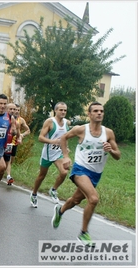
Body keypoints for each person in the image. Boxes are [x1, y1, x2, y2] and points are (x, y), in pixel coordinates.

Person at [52, 102, 121, 247]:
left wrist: (111, 150)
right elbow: (64, 138)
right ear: (89, 114)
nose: (99, 113)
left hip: (96, 174)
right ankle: (83, 233)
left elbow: (118, 155)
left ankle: (60, 210)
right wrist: (65, 156)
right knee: (94, 198)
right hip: (80, 170)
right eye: (95, 111)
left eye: (101, 111)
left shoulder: (108, 133)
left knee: (76, 200)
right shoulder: (81, 129)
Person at [30, 102, 71, 208]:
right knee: (41, 176)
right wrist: (53, 142)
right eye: (61, 110)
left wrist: (66, 148)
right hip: (48, 154)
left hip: (58, 154)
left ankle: (53, 190)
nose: (63, 112)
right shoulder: (49, 122)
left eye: (65, 110)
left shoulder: (67, 123)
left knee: (64, 171)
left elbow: (65, 137)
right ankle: (34, 194)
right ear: (55, 110)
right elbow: (40, 137)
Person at [3, 103, 30, 184]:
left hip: (13, 143)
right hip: (4, 142)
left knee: (10, 160)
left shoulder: (20, 120)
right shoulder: (6, 118)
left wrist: (21, 136)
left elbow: (28, 130)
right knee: (4, 160)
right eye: (15, 110)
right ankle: (7, 175)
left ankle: (7, 174)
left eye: (18, 110)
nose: (16, 112)